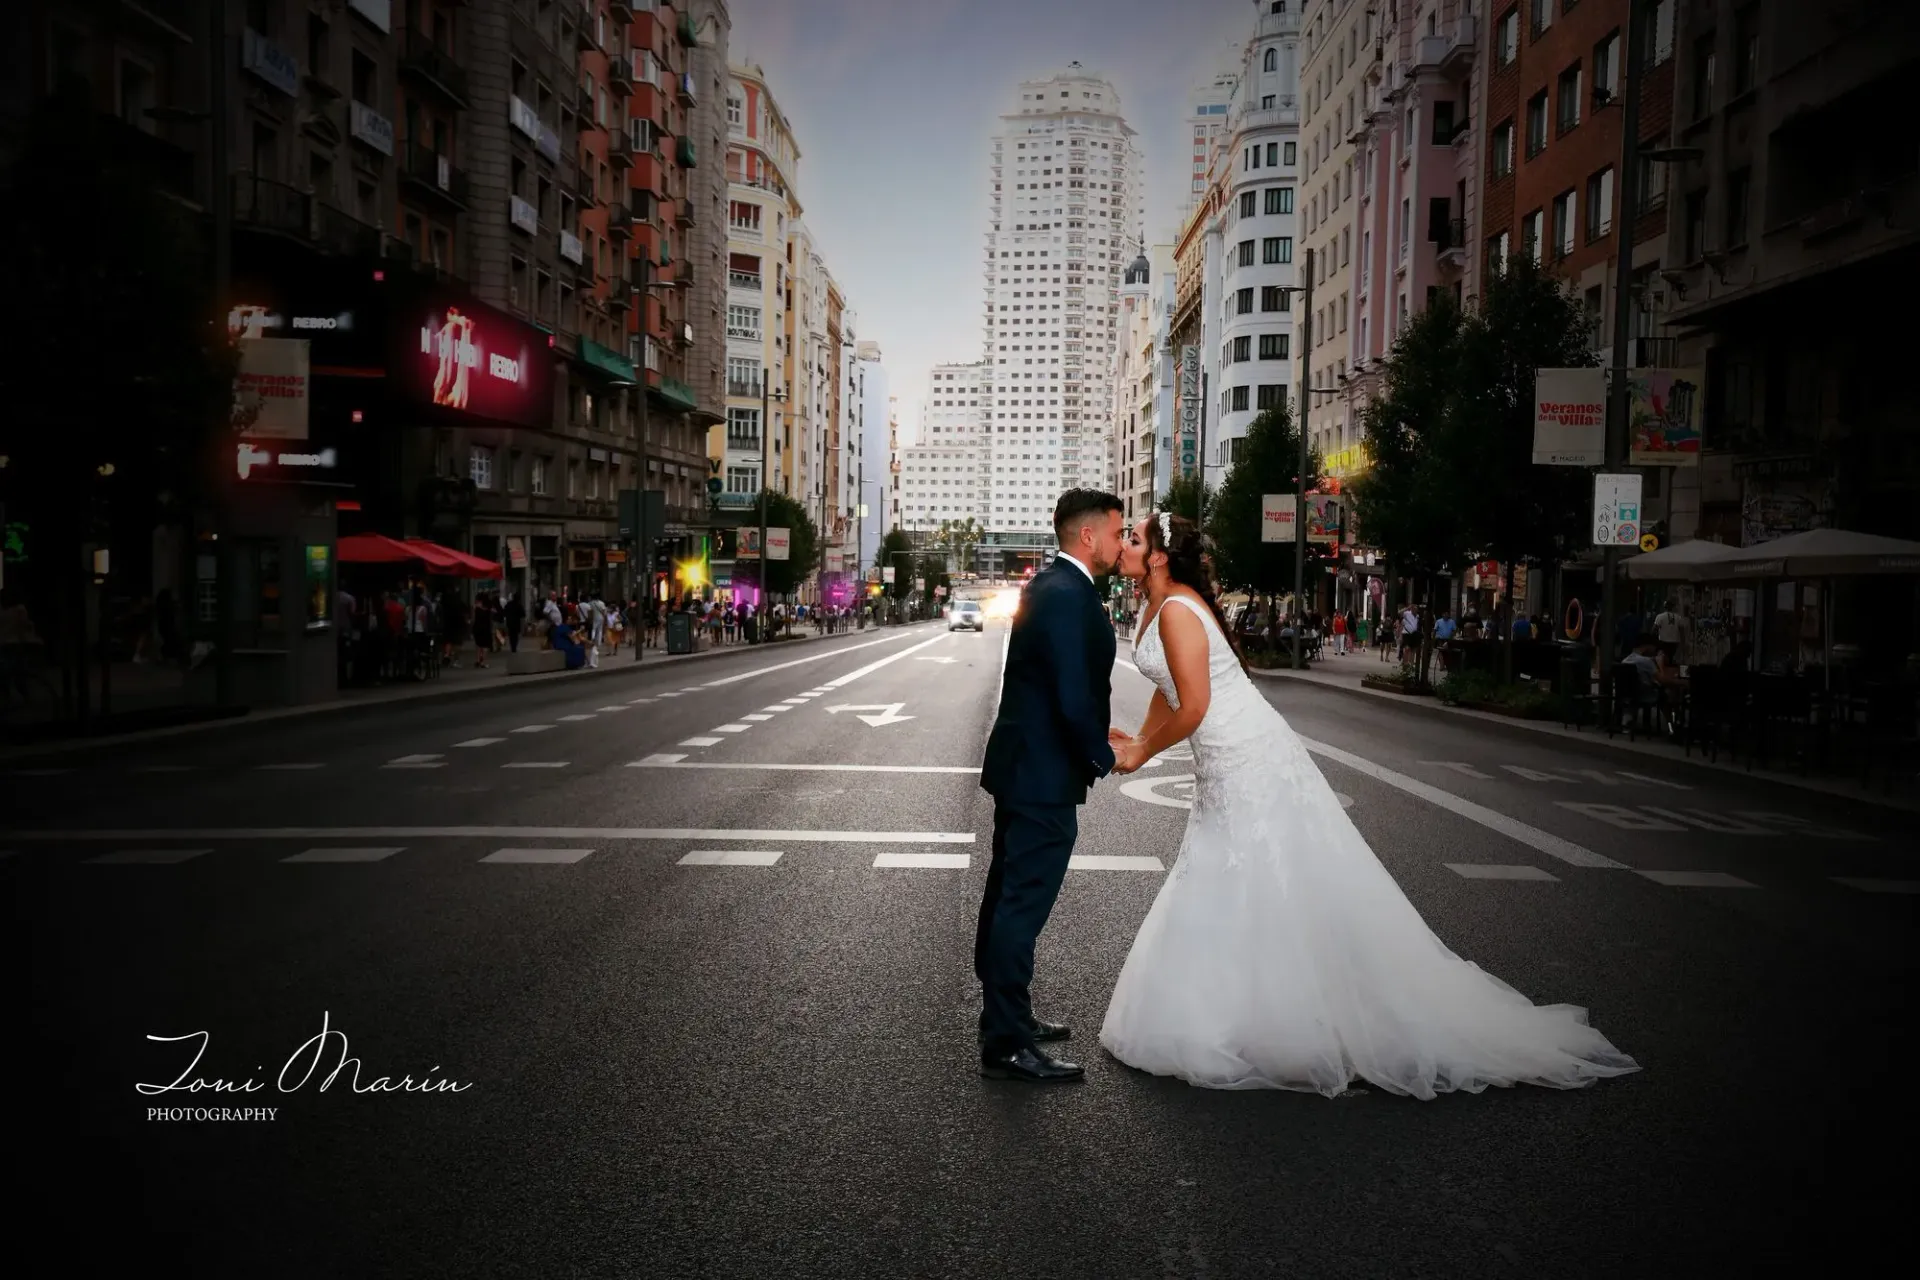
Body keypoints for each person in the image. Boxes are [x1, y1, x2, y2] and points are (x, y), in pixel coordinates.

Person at [1099, 511, 1640, 1097]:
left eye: (1133, 537)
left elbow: (1197, 705)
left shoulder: (1177, 608)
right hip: (1224, 758)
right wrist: (1138, 741)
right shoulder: (1155, 605)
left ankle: (1282, 1020)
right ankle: (1239, 1012)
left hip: (1246, 754)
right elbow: (1168, 687)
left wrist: (1143, 752)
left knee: (1261, 872)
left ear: (1157, 556)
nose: (1124, 543)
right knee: (1231, 873)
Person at [975, 489, 1129, 1084]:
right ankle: (1007, 1042)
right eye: (1117, 533)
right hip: (1042, 775)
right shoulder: (1069, 596)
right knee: (1022, 902)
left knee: (1007, 894)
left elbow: (1057, 687)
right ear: (1088, 536)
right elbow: (1069, 691)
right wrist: (1101, 753)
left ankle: (1008, 1017)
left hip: (1024, 766)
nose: (1120, 545)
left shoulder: (1050, 585)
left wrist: (1095, 726)